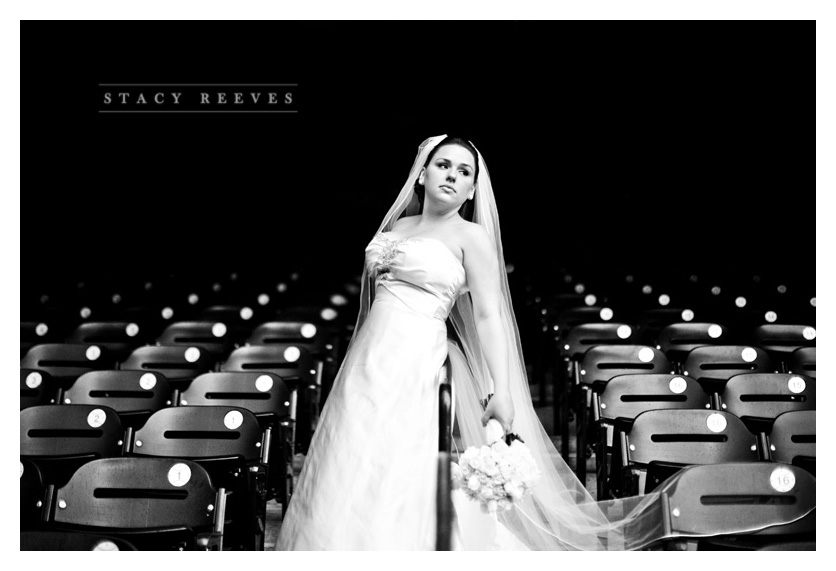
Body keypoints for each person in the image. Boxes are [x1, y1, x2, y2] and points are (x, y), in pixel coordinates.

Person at [276, 135, 804, 551]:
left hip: (420, 358)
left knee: (408, 460)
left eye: (465, 172)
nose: (453, 176)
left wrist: (502, 389)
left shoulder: (470, 238)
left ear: (472, 188)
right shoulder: (398, 224)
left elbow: (489, 316)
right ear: (423, 170)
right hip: (368, 359)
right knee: (354, 454)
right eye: (444, 165)